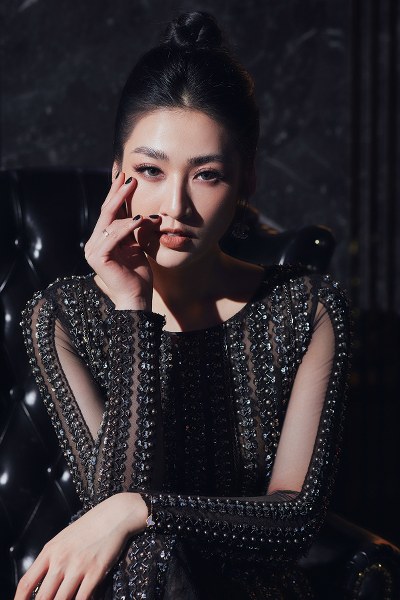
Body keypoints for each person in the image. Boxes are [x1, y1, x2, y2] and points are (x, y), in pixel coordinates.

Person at [16, 11, 350, 600]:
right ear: (118, 176)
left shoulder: (306, 307)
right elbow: (114, 524)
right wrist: (135, 310)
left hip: (256, 590)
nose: (176, 206)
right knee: (146, 552)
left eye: (207, 175)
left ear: (246, 181)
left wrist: (140, 509)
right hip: (137, 584)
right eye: (150, 170)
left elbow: (295, 519)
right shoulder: (63, 316)